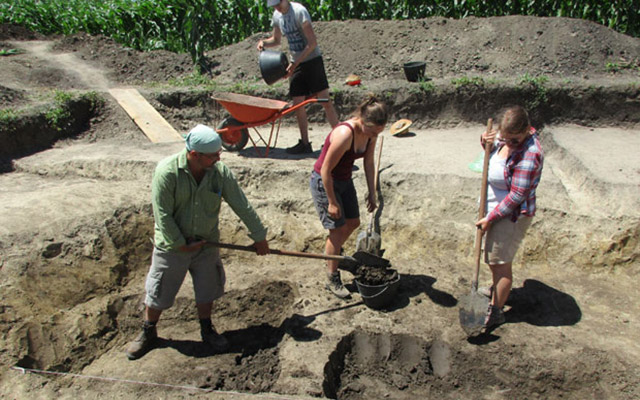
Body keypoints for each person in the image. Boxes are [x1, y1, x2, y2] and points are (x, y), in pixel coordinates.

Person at [126, 124, 270, 360]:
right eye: (213, 155)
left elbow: (241, 204)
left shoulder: (219, 172)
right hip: (172, 247)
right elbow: (162, 215)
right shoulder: (167, 172)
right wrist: (180, 243)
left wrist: (259, 236)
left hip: (206, 244)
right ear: (195, 155)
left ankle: (207, 328)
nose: (218, 158)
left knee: (207, 288)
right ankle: (148, 332)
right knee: (159, 290)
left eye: (219, 154)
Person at [309, 96, 388, 298]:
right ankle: (332, 277)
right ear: (362, 120)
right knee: (336, 231)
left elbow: (369, 163)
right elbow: (325, 170)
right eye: (372, 131)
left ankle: (332, 253)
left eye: (378, 132)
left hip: (345, 180)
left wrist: (372, 192)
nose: (374, 135)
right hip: (325, 181)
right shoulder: (345, 134)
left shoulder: (371, 134)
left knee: (353, 222)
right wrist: (332, 202)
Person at [475, 106, 544, 330]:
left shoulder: (530, 154)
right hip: (495, 211)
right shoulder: (507, 140)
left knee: (500, 262)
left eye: (514, 140)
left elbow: (516, 196)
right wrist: (486, 141)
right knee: (493, 259)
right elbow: (494, 150)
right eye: (505, 139)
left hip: (510, 215)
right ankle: (497, 290)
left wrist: (491, 218)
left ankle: (495, 312)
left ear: (526, 130)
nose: (509, 144)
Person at [257, 0, 339, 154]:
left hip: (312, 60)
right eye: (274, 6)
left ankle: (341, 140)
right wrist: (264, 43)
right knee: (297, 103)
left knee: (325, 100)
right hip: (296, 62)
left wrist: (295, 64)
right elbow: (276, 40)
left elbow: (312, 43)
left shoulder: (299, 12)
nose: (276, 8)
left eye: (278, 5)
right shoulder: (277, 16)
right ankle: (305, 143)